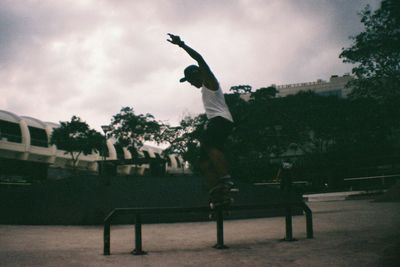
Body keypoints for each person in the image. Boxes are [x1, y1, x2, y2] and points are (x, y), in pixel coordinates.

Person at [167, 33, 237, 208]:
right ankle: (219, 193)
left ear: (198, 74)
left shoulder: (210, 81)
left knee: (209, 145)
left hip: (221, 120)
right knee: (204, 162)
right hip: (217, 122)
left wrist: (181, 44)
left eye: (190, 80)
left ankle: (227, 180)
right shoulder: (204, 88)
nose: (191, 84)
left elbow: (199, 59)